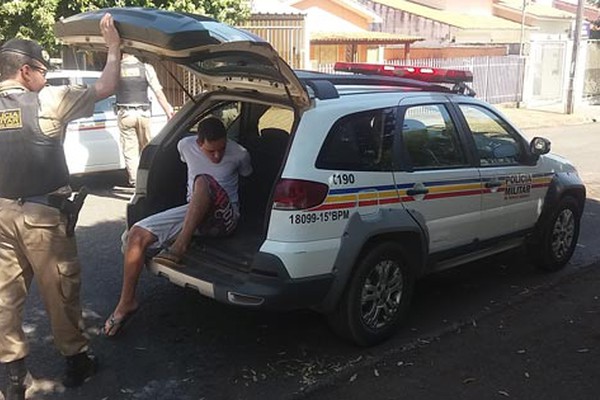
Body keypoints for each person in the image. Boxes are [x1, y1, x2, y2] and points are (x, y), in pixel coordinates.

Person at [0, 14, 121, 399]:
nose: (45, 76)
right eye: (42, 69)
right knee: (61, 291)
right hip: (43, 218)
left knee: (4, 296)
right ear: (25, 70)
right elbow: (105, 86)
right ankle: (76, 363)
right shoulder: (49, 100)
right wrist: (114, 47)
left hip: (1, 216)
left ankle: (14, 376)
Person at [104, 116, 252, 337]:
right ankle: (126, 303)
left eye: (221, 149)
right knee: (135, 236)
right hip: (193, 211)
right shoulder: (185, 145)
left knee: (203, 181)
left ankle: (179, 247)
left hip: (225, 217)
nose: (217, 156)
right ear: (198, 142)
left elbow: (247, 176)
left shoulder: (239, 153)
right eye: (211, 151)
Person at [116, 53, 174, 187]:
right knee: (146, 149)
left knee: (130, 151)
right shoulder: (146, 68)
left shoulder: (116, 69)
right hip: (144, 113)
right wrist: (168, 112)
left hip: (125, 114)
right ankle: (150, 179)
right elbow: (158, 93)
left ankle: (137, 184)